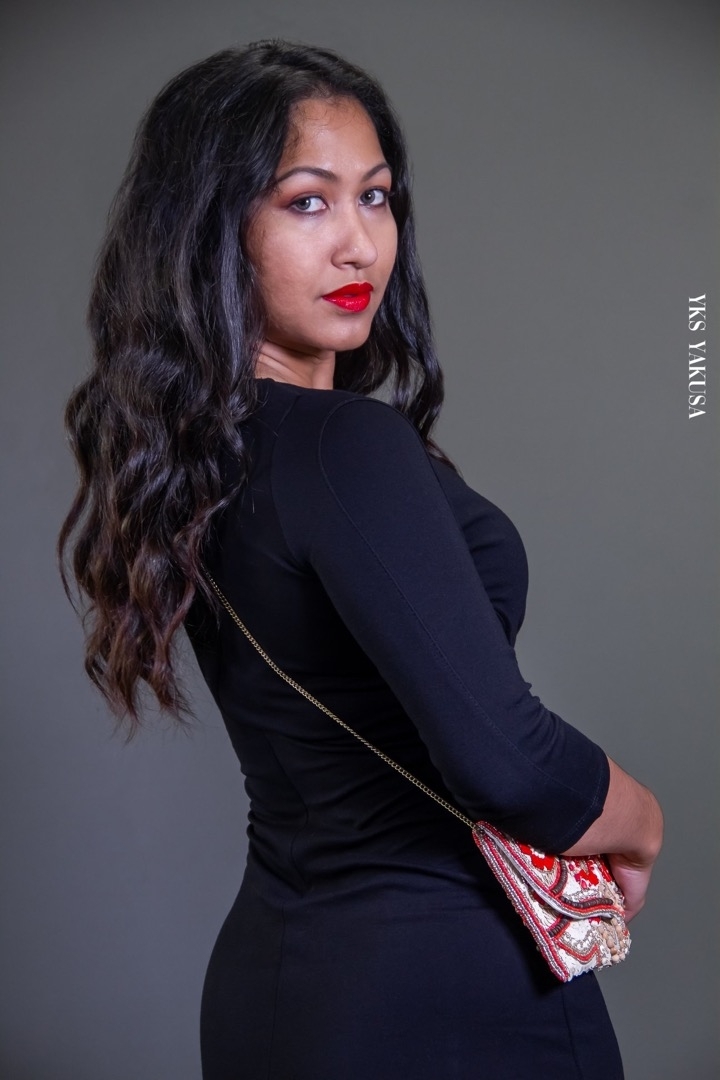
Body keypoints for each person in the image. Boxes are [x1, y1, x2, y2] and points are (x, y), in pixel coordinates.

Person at [59, 40, 663, 1080]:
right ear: (212, 229)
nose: (359, 245)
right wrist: (642, 821)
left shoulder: (195, 456)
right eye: (307, 202)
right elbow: (508, 760)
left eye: (375, 198)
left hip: (273, 986)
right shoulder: (346, 445)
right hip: (444, 998)